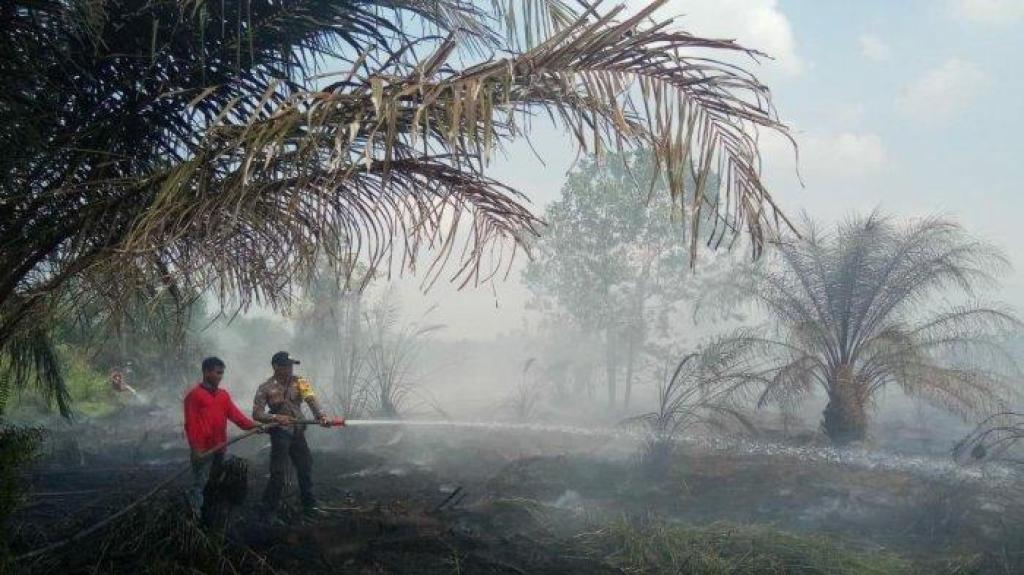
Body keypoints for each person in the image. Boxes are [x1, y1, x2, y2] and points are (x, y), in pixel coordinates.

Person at [253, 351, 331, 521]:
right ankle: (268, 510)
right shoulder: (265, 387)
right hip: (280, 433)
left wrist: (321, 416)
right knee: (278, 472)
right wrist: (275, 417)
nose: (290, 369)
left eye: (291, 365)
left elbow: (311, 399)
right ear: (276, 367)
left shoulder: (299, 381)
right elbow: (257, 414)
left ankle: (309, 505)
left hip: (297, 431)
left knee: (305, 466)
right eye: (286, 365)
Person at [183, 356, 258, 521]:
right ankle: (194, 519)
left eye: (222, 373)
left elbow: (237, 417)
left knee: (215, 480)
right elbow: (191, 425)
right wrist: (196, 449)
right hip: (203, 450)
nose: (220, 376)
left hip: (220, 447)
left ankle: (210, 513)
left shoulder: (223, 395)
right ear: (206, 372)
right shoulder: (194, 396)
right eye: (217, 373)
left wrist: (254, 426)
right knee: (199, 484)